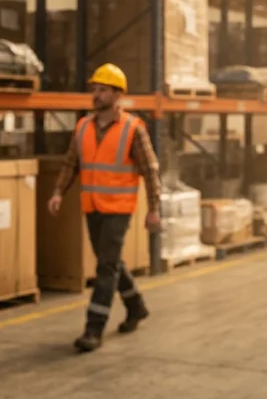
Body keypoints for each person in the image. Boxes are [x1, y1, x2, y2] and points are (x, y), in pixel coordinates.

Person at [47, 63, 162, 353]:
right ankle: (136, 306)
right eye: (94, 90)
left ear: (117, 96)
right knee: (110, 262)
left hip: (119, 208)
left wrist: (154, 208)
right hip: (92, 206)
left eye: (102, 90)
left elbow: (150, 170)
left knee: (105, 267)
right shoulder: (83, 127)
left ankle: (93, 329)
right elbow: (71, 164)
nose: (96, 95)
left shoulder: (133, 129)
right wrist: (58, 192)